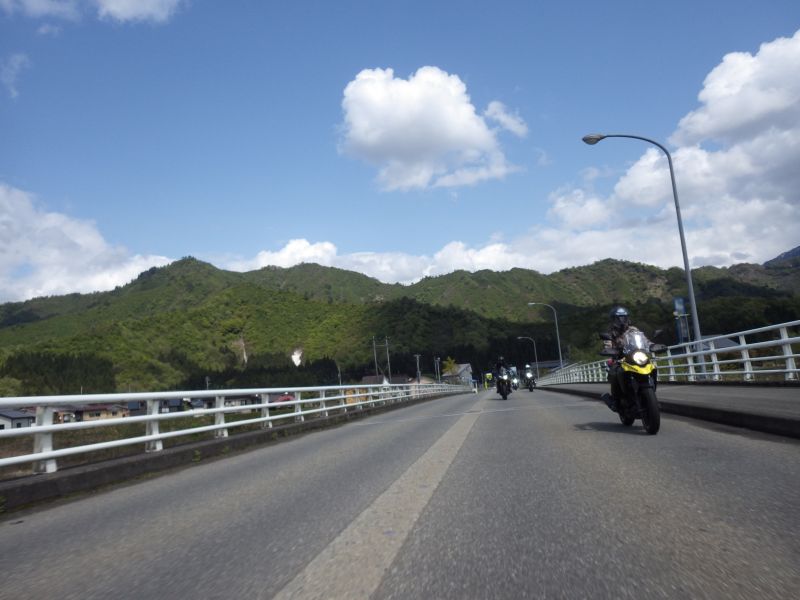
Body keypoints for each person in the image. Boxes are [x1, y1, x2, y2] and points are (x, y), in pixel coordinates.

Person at [603, 306, 642, 411]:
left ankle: (649, 394)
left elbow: (643, 340)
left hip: (634, 355)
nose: (621, 320)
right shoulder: (610, 333)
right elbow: (607, 345)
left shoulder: (633, 330)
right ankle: (615, 401)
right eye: (618, 318)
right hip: (619, 358)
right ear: (613, 319)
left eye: (623, 317)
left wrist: (651, 345)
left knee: (650, 365)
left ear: (627, 318)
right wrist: (610, 350)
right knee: (615, 372)